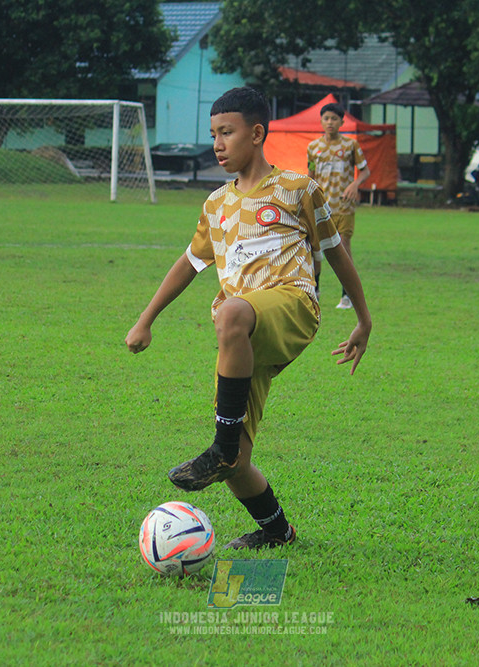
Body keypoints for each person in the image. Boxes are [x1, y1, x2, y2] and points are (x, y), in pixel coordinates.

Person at [125, 87, 372, 550]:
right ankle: (277, 531)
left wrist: (363, 319)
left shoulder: (298, 188)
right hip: (239, 334)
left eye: (227, 132)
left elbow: (337, 255)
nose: (218, 143)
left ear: (256, 134)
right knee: (238, 464)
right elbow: (188, 264)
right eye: (213, 134)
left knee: (232, 312)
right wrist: (146, 319)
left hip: (292, 306)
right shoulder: (216, 204)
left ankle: (219, 446)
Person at [307, 102, 370, 310]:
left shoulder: (350, 146)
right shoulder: (313, 148)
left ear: (342, 122)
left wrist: (355, 184)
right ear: (321, 121)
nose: (330, 122)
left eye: (334, 118)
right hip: (321, 207)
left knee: (343, 247)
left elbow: (364, 171)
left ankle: (347, 295)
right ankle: (314, 290)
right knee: (315, 249)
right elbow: (311, 175)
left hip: (344, 206)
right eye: (326, 118)